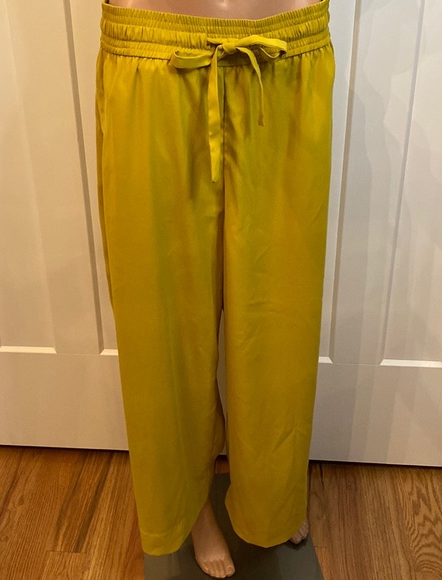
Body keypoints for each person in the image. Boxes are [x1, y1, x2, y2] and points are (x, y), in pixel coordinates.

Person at [96, 0, 334, 577]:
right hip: (152, 60)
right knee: (163, 330)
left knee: (280, 326)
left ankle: (271, 496)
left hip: (285, 57)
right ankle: (192, 505)